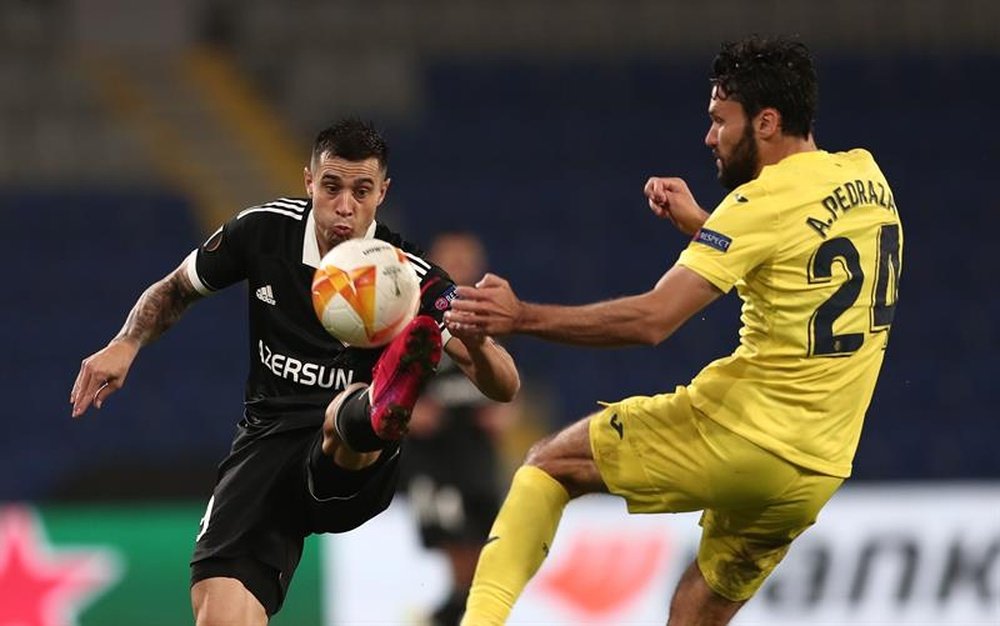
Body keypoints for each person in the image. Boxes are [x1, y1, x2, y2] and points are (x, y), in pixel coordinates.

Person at [446, 35, 902, 626]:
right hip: (817, 468)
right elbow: (798, 267)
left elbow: (651, 320)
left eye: (720, 120)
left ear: (765, 123)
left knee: (547, 465)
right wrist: (707, 228)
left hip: (744, 435)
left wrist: (521, 316)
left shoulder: (758, 203)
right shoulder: (869, 179)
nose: (710, 137)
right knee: (694, 612)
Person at [69, 118, 520, 626]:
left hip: (350, 462)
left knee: (340, 417)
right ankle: (374, 402)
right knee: (217, 607)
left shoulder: (410, 276)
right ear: (309, 182)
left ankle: (378, 406)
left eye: (361, 190)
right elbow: (176, 288)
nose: (344, 205)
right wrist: (125, 342)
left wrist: (475, 341)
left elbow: (505, 384)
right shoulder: (265, 230)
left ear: (382, 194)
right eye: (331, 187)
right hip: (264, 445)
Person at [400, 232, 515, 626]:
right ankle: (441, 619)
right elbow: (384, 378)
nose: (463, 268)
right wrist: (409, 408)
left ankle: (437, 619)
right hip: (435, 459)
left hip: (478, 456)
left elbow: (508, 384)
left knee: (485, 560)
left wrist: (506, 409)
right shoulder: (410, 315)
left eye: (469, 260)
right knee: (463, 561)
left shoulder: (485, 320)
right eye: (454, 260)